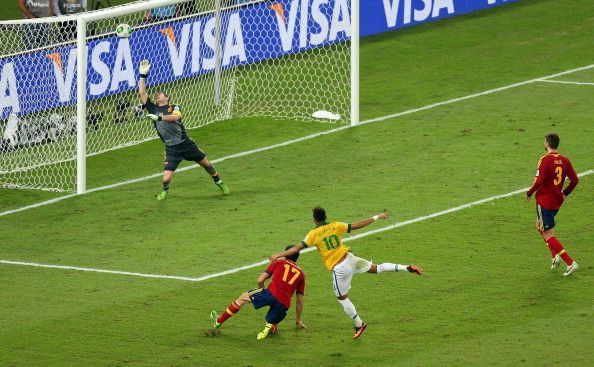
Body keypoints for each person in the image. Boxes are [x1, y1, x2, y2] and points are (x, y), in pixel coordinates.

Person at [270, 207, 423, 339]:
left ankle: (359, 324)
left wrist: (278, 255)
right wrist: (377, 217)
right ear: (325, 217)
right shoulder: (336, 225)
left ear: (314, 220)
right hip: (350, 258)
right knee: (377, 268)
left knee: (342, 298)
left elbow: (297, 248)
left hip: (340, 269)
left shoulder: (313, 234)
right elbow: (357, 225)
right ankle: (406, 267)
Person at [137, 60, 230, 199]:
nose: (157, 95)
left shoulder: (174, 107)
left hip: (186, 144)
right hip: (171, 149)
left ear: (167, 98)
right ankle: (165, 190)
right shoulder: (152, 108)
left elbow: (175, 117)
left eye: (160, 94)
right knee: (166, 179)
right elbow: (142, 92)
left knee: (206, 164)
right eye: (156, 95)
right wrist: (143, 76)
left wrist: (159, 119)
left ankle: (219, 182)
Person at [209, 245, 306, 340]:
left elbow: (260, 280)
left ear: (286, 254)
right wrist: (298, 320)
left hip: (270, 294)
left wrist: (261, 291)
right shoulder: (301, 274)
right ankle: (271, 327)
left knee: (243, 297)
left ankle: (218, 321)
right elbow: (299, 301)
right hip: (284, 304)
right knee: (272, 323)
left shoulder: (279, 262)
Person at [526, 133, 579, 276]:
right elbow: (575, 180)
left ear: (547, 144)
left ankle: (570, 262)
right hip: (556, 201)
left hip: (545, 201)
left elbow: (538, 181)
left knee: (548, 233)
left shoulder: (544, 160)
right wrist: (565, 193)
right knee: (540, 225)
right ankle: (555, 256)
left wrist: (529, 193)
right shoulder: (565, 160)